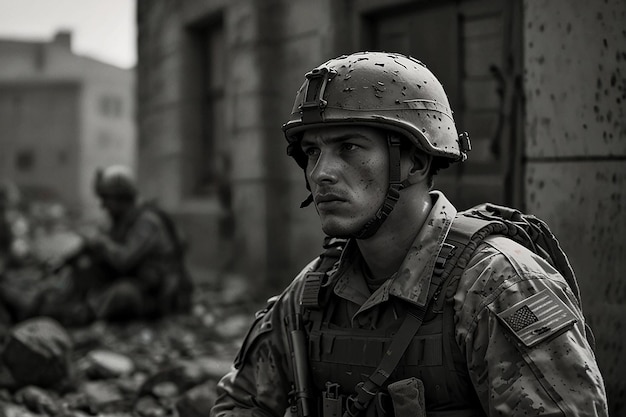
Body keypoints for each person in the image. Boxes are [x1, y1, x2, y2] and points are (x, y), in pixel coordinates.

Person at [211, 52, 608, 416]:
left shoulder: (499, 286)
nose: (320, 173)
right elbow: (239, 404)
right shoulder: (314, 290)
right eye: (312, 151)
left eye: (348, 147)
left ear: (415, 162)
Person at [35, 165, 194, 325]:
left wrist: (101, 242)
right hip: (139, 286)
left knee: (123, 294)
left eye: (106, 199)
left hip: (157, 296)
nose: (103, 205)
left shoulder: (147, 221)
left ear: (121, 198)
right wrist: (68, 260)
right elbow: (98, 250)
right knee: (85, 266)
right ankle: (59, 303)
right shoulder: (122, 221)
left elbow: (123, 260)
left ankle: (82, 313)